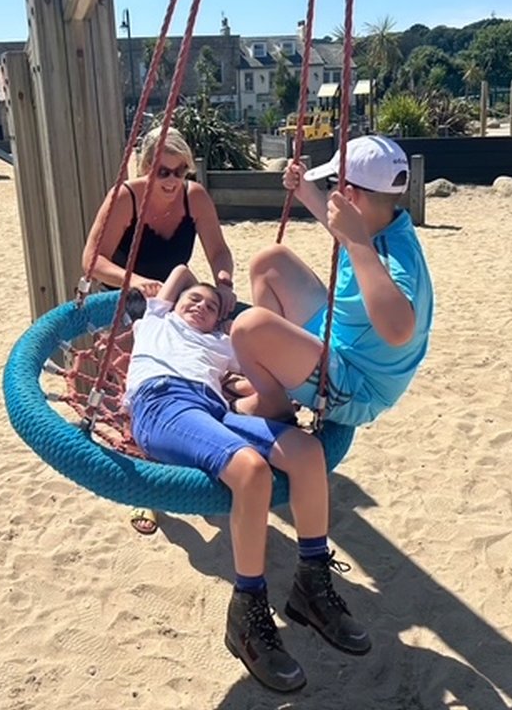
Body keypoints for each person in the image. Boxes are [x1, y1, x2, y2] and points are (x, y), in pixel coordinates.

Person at [126, 264, 371, 693]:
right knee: (251, 471)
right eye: (192, 300)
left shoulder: (223, 344)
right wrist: (217, 288)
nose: (199, 305)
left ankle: (311, 585)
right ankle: (247, 611)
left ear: (221, 320)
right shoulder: (155, 322)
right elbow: (181, 271)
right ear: (174, 304)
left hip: (214, 410)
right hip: (162, 403)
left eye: (209, 306)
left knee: (307, 452)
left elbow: (267, 366)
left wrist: (243, 379)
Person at [82, 125, 237, 535]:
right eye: (163, 172)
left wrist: (223, 281)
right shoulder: (125, 198)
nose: (172, 180)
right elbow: (92, 260)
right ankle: (146, 493)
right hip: (126, 297)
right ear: (146, 168)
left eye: (180, 170)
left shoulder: (194, 197)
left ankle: (197, 460)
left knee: (190, 375)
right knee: (134, 394)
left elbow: (217, 249)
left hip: (171, 298)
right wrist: (132, 279)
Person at [230, 134, 433, 427]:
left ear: (348, 196)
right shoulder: (383, 222)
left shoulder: (385, 253)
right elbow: (345, 229)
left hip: (355, 384)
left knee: (248, 326)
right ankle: (273, 379)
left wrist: (357, 242)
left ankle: (273, 402)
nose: (327, 195)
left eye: (330, 187)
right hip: (340, 339)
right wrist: (306, 191)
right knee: (270, 262)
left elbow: (399, 329)